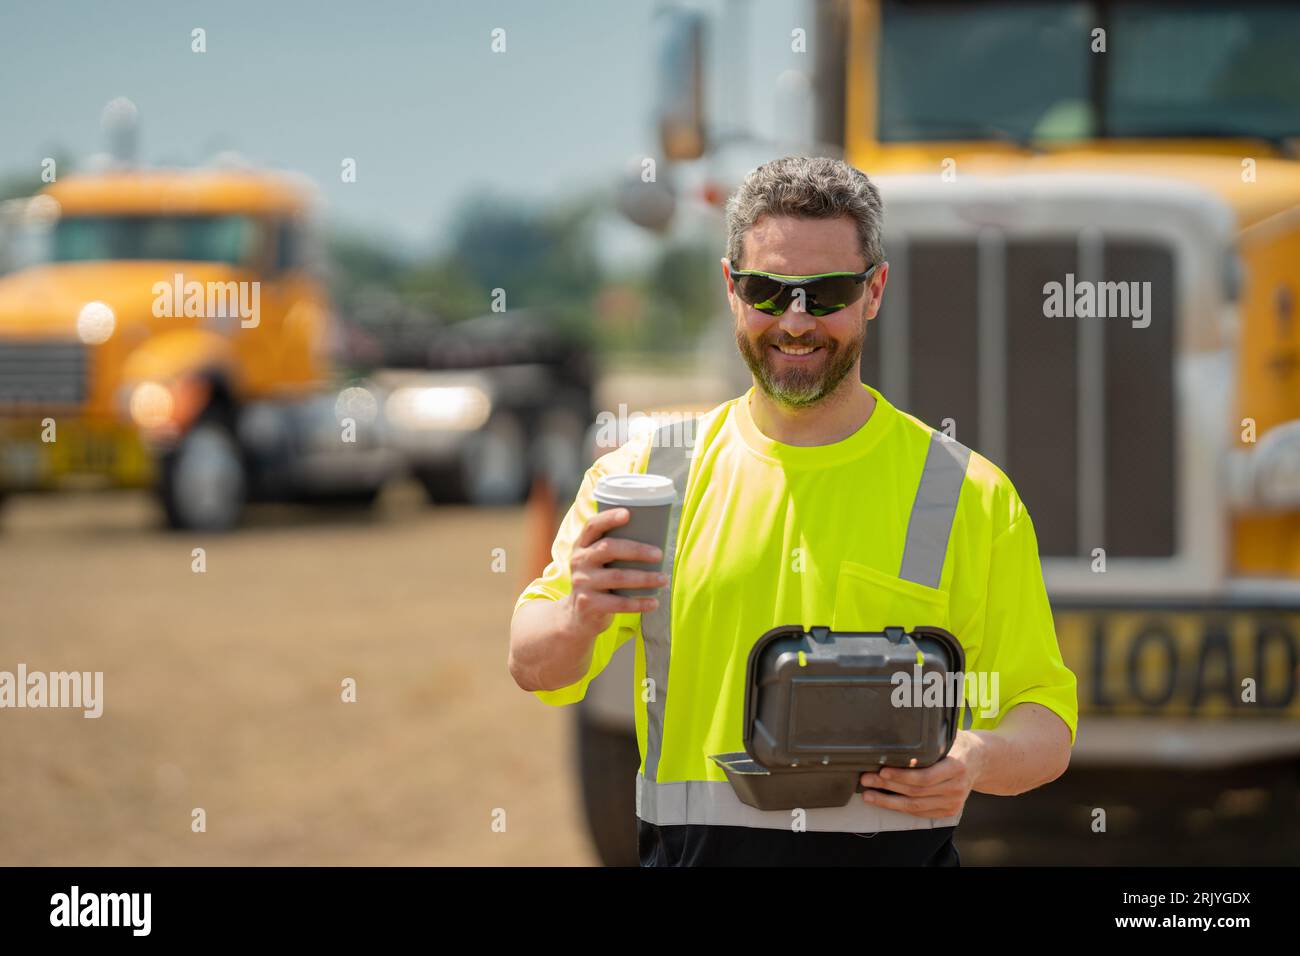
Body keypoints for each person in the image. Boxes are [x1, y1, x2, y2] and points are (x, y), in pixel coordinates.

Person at [509, 155, 1077, 866]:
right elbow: (533, 664)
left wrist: (978, 759)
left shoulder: (968, 493)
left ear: (874, 291)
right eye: (769, 292)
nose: (798, 320)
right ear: (730, 288)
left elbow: (1046, 724)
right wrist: (578, 613)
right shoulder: (647, 478)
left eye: (827, 292)